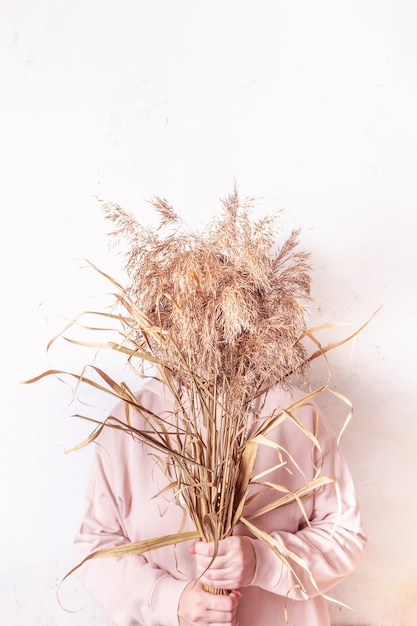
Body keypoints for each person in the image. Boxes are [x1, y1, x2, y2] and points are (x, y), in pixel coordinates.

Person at [73, 375, 367, 626]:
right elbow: (96, 546)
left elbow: (345, 534)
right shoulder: (130, 420)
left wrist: (262, 561)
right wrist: (170, 600)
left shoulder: (295, 412)